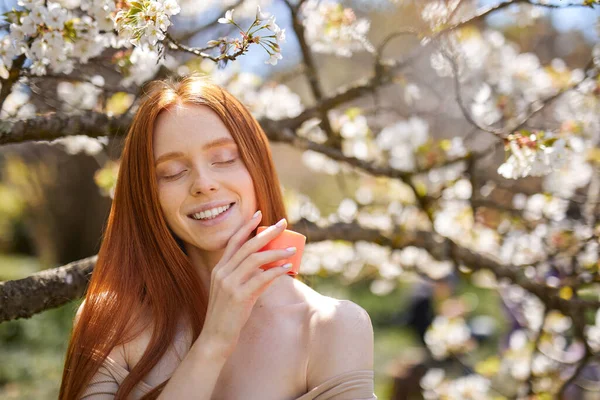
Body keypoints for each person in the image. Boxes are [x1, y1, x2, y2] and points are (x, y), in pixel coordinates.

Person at [59, 74, 377, 399]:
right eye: (173, 172)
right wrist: (213, 342)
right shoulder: (112, 322)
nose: (203, 183)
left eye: (224, 159)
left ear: (257, 167)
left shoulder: (331, 327)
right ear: (147, 195)